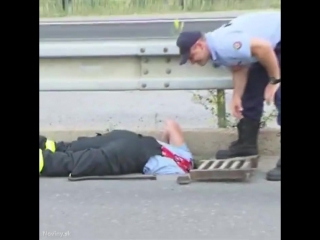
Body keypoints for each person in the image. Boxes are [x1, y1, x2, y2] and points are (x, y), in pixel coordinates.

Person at [176, 11, 281, 181]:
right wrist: (236, 96)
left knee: (280, 95)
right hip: (270, 46)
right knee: (251, 90)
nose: (192, 62)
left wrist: (275, 80)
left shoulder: (223, 44)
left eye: (191, 57)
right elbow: (240, 66)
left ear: (199, 46)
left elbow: (263, 48)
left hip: (275, 42)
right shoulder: (217, 50)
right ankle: (247, 145)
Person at [39, 120, 193, 177]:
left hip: (130, 138)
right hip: (130, 155)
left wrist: (165, 140)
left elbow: (171, 124)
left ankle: (44, 144)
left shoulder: (185, 155)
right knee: (77, 161)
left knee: (68, 147)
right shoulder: (178, 172)